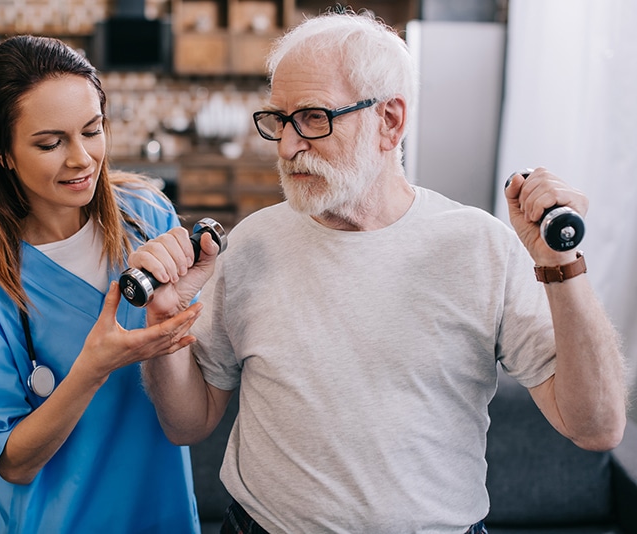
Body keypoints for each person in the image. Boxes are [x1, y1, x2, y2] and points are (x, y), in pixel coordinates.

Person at [131, 11, 628, 534]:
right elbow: (187, 423)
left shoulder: (480, 246)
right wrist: (162, 324)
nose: (287, 145)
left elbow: (596, 427)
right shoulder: (250, 244)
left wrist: (562, 267)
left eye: (314, 117)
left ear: (389, 121)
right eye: (279, 119)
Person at [0, 35, 204, 533]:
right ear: (3, 153)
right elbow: (13, 463)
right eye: (50, 143)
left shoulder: (148, 215)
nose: (82, 159)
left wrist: (183, 304)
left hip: (166, 517)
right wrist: (92, 368)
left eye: (92, 130)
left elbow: (195, 379)